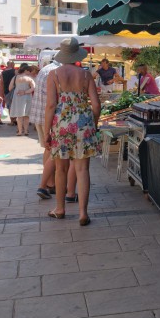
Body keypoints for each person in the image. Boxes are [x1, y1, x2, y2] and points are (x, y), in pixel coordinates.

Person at [45, 38, 101, 226]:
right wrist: (92, 124)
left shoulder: (53, 74)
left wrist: (47, 131)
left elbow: (51, 105)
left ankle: (60, 209)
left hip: (61, 123)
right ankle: (83, 213)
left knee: (61, 169)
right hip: (84, 123)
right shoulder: (86, 75)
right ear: (77, 54)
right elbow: (96, 104)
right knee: (82, 169)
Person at [31, 57, 61, 200]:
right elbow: (52, 101)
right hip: (49, 117)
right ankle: (48, 184)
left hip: (41, 115)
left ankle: (49, 183)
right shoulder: (56, 71)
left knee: (48, 149)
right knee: (53, 150)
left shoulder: (46, 68)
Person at [9, 63, 36, 136]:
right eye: (29, 71)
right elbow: (33, 88)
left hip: (17, 97)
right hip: (27, 97)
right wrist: (25, 92)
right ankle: (26, 131)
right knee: (26, 115)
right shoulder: (29, 78)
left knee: (19, 116)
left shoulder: (15, 77)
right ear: (26, 70)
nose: (30, 72)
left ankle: (20, 131)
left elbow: (10, 88)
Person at [2, 60, 18, 126]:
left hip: (6, 90)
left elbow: (1, 82)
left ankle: (12, 120)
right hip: (14, 90)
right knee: (15, 105)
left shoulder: (3, 72)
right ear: (12, 65)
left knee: (9, 106)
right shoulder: (15, 72)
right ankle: (14, 119)